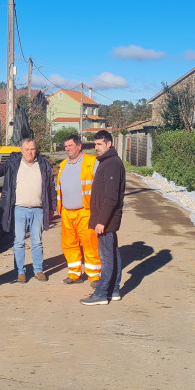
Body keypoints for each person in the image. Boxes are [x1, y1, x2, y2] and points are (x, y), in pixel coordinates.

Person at [0, 138, 56, 283]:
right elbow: (1, 169)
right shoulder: (14, 162)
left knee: (37, 241)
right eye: (27, 149)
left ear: (36, 150)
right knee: (19, 241)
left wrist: (53, 207)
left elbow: (50, 188)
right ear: (21, 150)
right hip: (19, 209)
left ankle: (38, 270)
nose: (30, 152)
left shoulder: (44, 164)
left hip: (38, 209)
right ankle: (20, 272)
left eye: (32, 149)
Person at [80, 130, 125, 306]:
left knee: (106, 257)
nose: (96, 147)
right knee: (113, 252)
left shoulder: (112, 163)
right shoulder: (107, 162)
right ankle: (113, 290)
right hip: (105, 218)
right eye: (95, 144)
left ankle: (101, 293)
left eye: (99, 144)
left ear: (109, 144)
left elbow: (112, 197)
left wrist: (101, 221)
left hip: (106, 220)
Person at [56, 134, 100, 286]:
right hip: (67, 212)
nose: (68, 149)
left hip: (85, 211)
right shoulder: (62, 165)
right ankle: (74, 274)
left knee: (89, 243)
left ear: (79, 146)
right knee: (69, 244)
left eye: (71, 146)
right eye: (66, 146)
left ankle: (95, 277)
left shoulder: (92, 162)